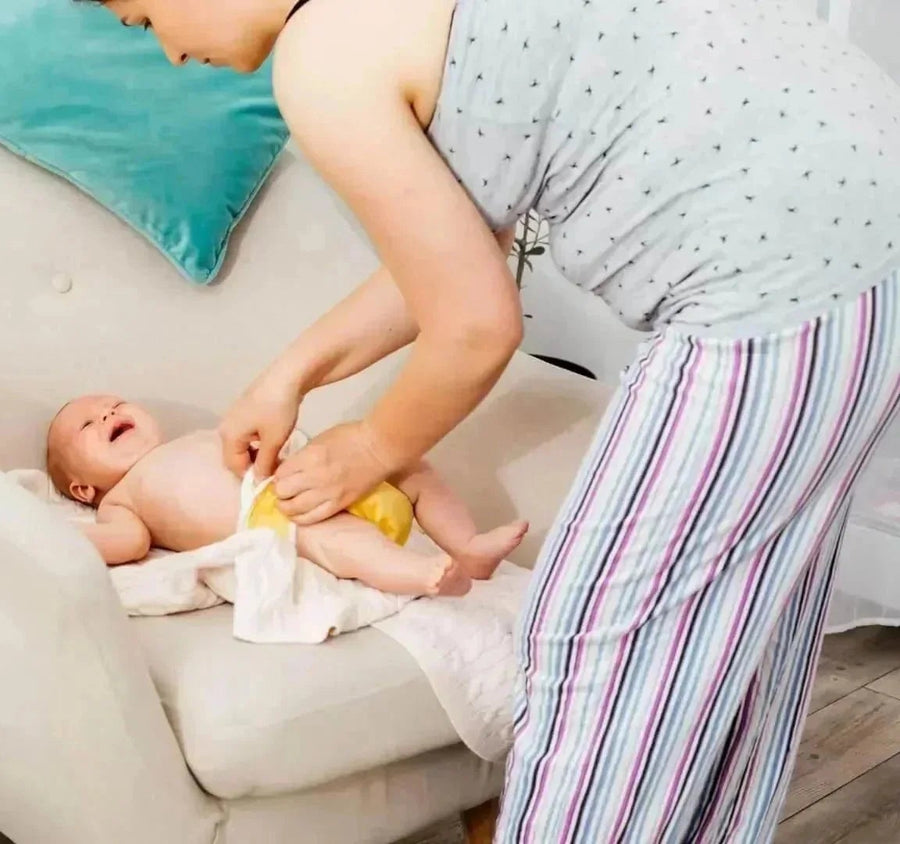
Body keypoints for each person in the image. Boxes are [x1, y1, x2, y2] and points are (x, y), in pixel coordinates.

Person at [87, 0, 900, 839]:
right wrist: (291, 374)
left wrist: (369, 446)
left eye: (145, 21)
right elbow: (456, 252)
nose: (171, 56)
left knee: (594, 641)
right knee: (735, 628)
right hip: (863, 249)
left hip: (778, 283)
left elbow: (477, 325)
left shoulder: (322, 55)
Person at [44, 393, 527, 594]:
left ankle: (467, 546)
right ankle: (419, 574)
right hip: (274, 519)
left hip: (308, 477)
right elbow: (126, 543)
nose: (107, 413)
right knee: (330, 535)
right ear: (82, 487)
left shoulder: (193, 439)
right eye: (88, 423)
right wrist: (43, 534)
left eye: (114, 404)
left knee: (407, 464)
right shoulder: (121, 498)